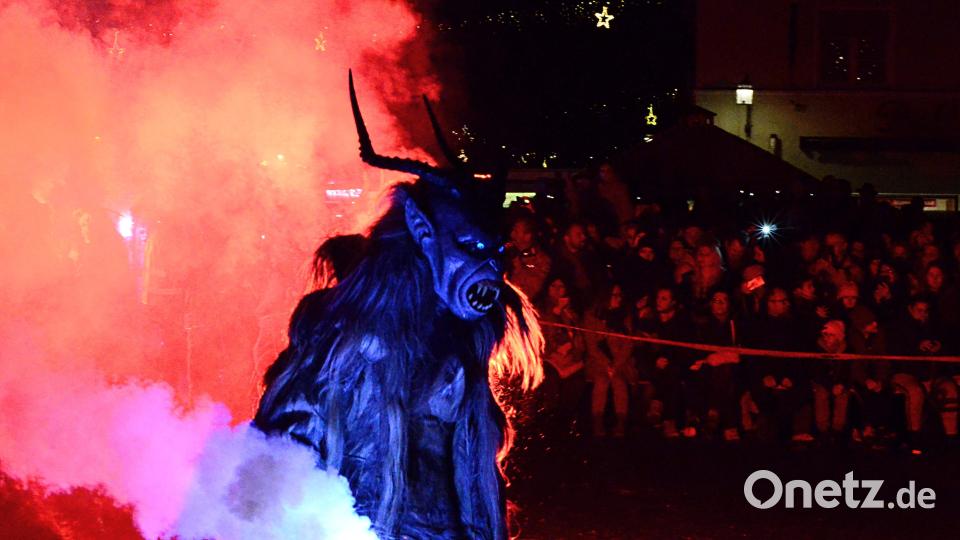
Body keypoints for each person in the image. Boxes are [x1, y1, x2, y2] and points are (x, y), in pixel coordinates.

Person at [256, 74, 541, 540]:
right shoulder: (342, 334)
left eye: (494, 253)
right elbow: (288, 436)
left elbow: (468, 452)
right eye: (470, 248)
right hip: (367, 525)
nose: (488, 270)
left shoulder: (466, 337)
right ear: (425, 236)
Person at [584, 284, 635, 437]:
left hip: (620, 362)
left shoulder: (625, 316)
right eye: (614, 295)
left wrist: (616, 364)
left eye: (620, 295)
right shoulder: (592, 316)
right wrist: (606, 364)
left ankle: (620, 422)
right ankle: (597, 421)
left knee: (619, 382)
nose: (618, 299)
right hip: (598, 361)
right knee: (601, 381)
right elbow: (592, 345)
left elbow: (628, 344)